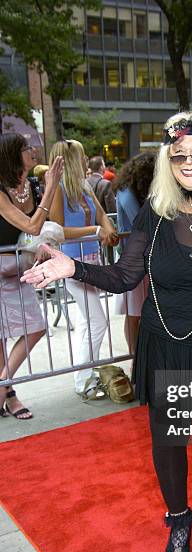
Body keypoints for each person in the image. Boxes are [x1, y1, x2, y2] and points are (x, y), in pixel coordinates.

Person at [21, 111, 192, 552]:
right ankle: (179, 517)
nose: (190, 161)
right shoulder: (155, 214)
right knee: (170, 435)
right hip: (170, 342)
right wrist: (73, 268)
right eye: (178, 155)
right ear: (167, 162)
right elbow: (126, 274)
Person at [47, 139, 118, 397]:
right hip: (71, 265)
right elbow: (58, 231)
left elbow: (101, 215)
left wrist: (107, 230)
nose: (87, 159)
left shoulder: (84, 187)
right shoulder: (58, 189)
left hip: (91, 261)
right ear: (71, 160)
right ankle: (84, 379)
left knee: (89, 322)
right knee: (97, 321)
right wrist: (96, 230)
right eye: (82, 155)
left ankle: (85, 377)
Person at [0, 134, 63, 419]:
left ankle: (1, 386)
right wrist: (51, 189)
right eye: (26, 148)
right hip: (1, 271)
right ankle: (9, 395)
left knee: (36, 327)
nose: (34, 150)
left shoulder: (33, 187)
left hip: (20, 270)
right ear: (13, 155)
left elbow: (41, 231)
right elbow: (31, 225)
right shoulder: (1, 190)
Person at [112, 153, 155, 355]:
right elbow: (139, 221)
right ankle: (134, 357)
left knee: (141, 311)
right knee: (134, 313)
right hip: (134, 261)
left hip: (144, 258)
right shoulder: (126, 192)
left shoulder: (132, 191)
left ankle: (140, 356)